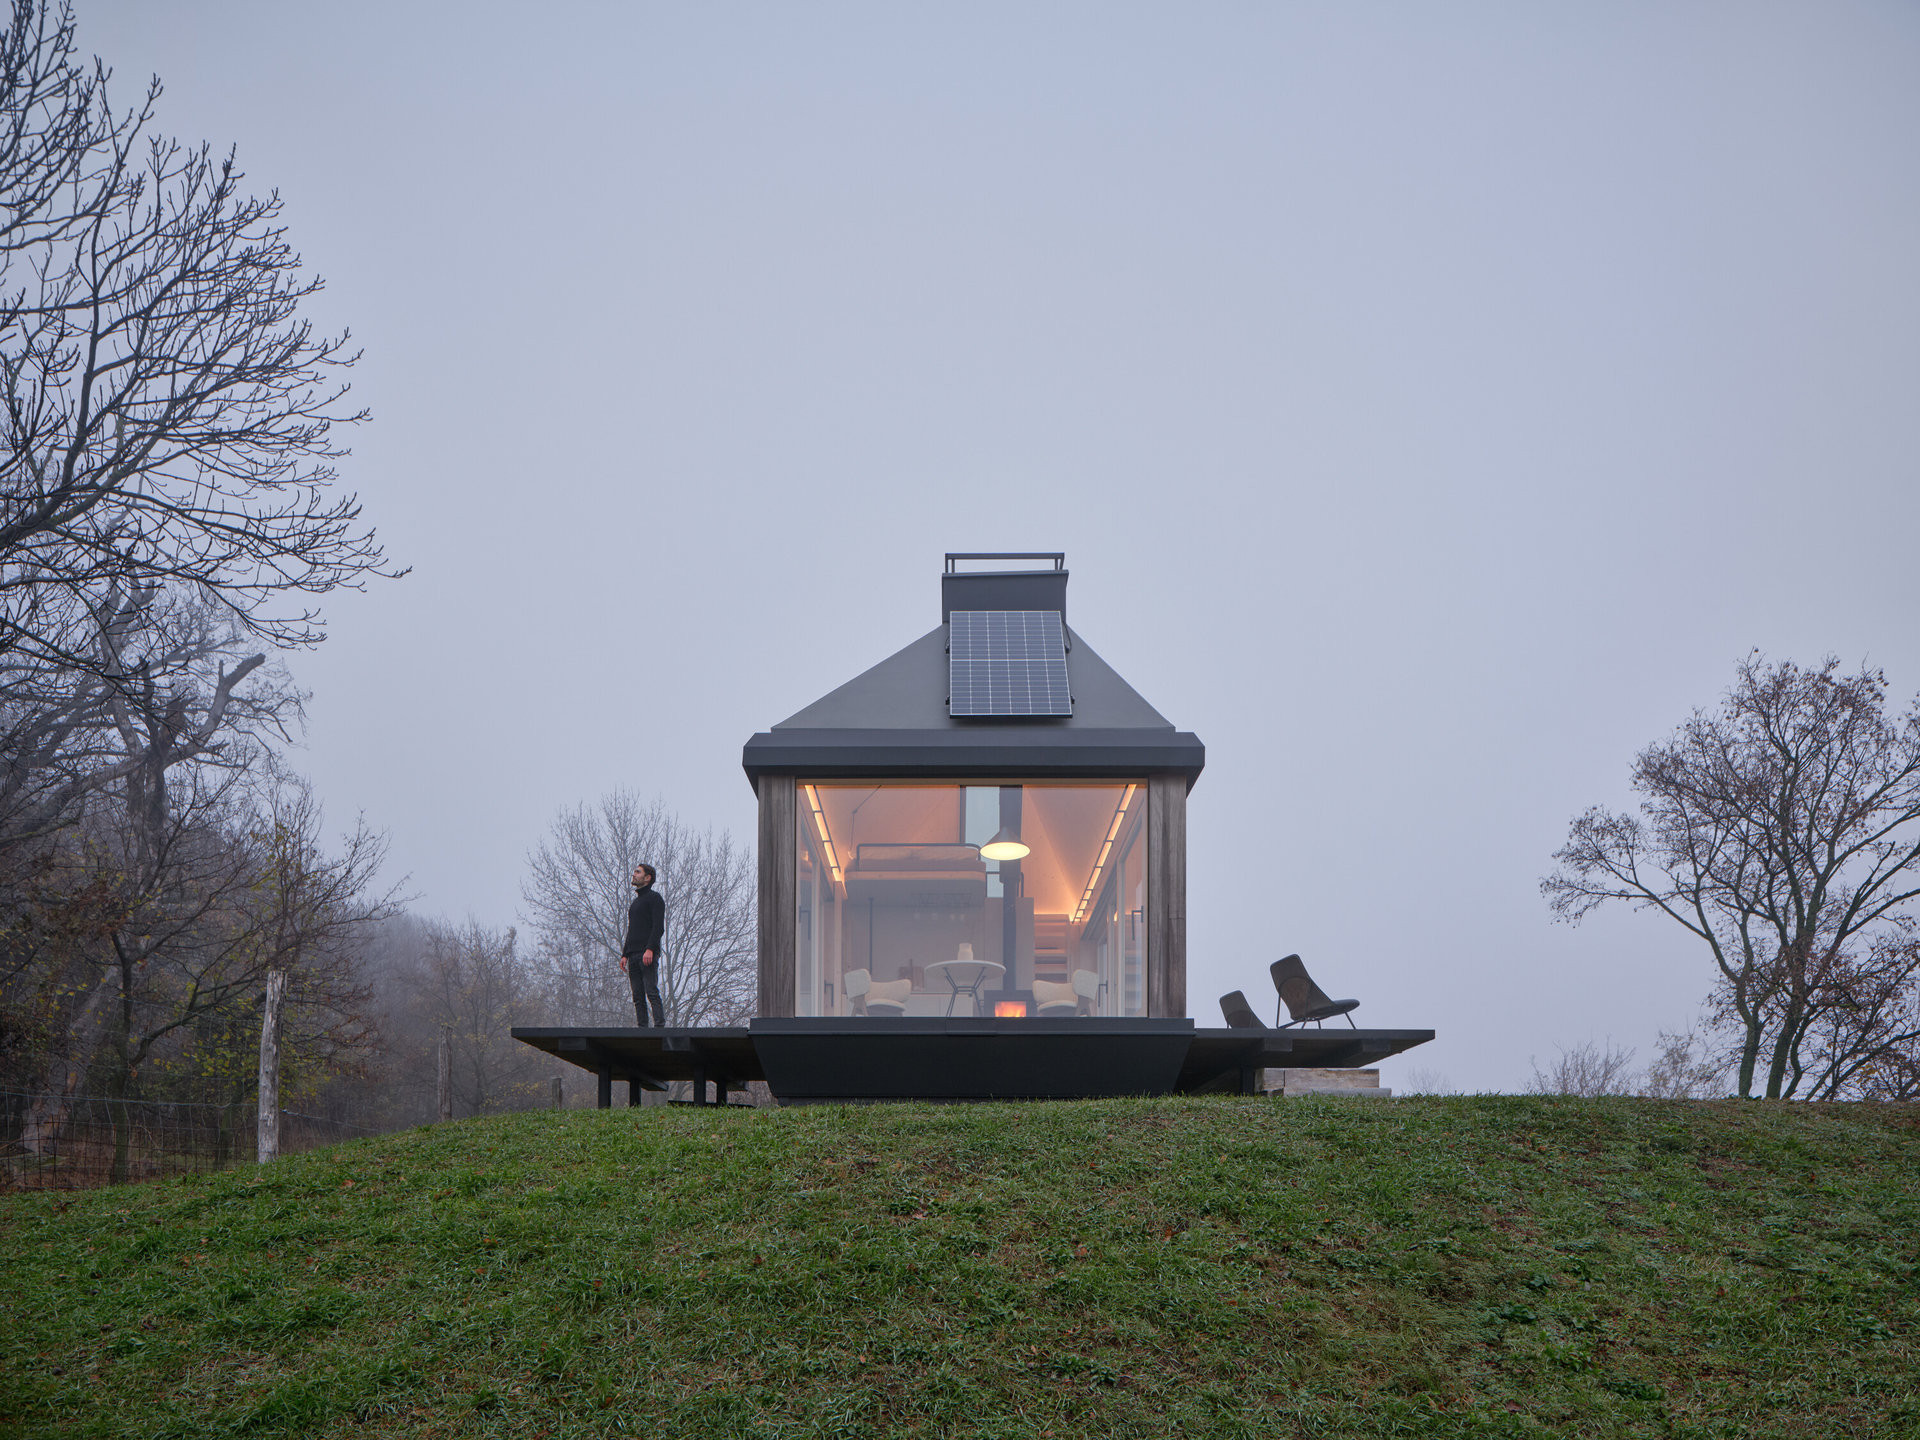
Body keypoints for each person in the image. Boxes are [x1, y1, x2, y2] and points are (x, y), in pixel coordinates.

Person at [619, 862, 667, 1027]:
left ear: (647, 878)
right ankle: (642, 1029)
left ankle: (660, 1027)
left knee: (651, 991)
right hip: (633, 955)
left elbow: (658, 927)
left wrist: (650, 949)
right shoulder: (635, 904)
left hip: (647, 954)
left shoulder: (655, 899)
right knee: (637, 996)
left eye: (638, 872)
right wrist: (625, 954)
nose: (634, 874)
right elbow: (632, 930)